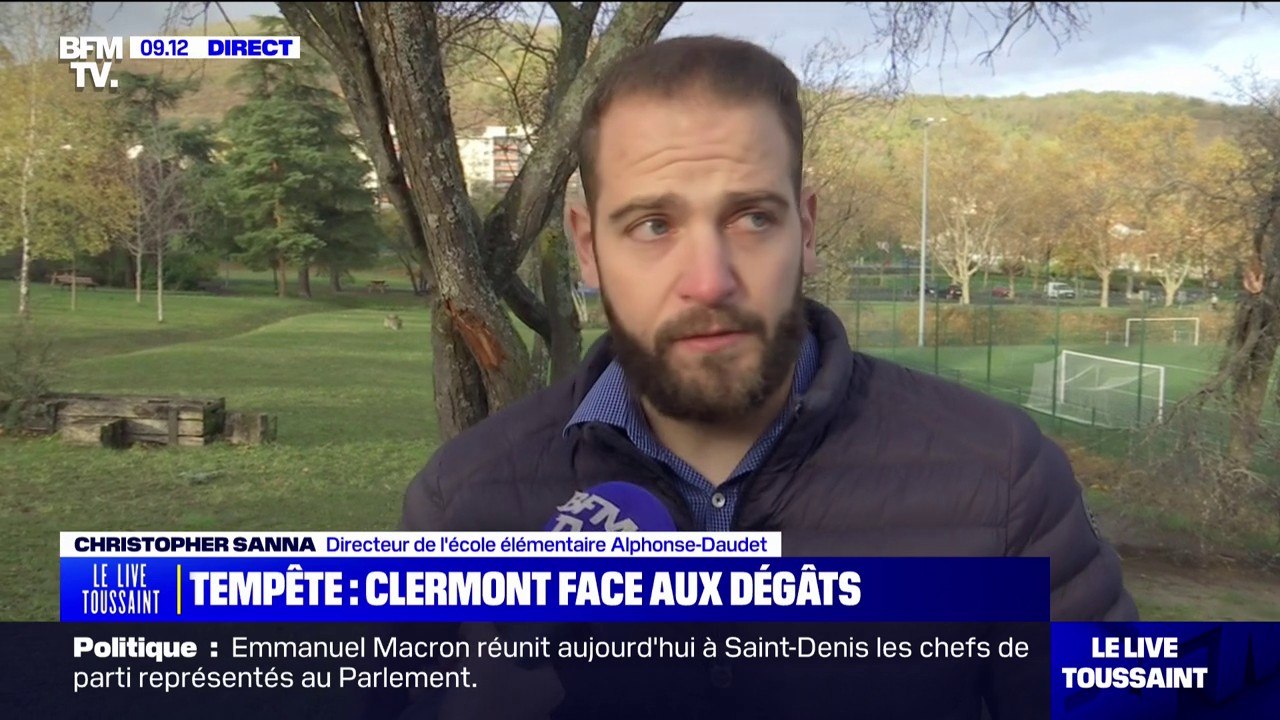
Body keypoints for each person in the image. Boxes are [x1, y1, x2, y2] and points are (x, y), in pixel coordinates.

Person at [399, 35, 1137, 719]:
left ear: (806, 229)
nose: (708, 281)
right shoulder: (464, 502)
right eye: (653, 225)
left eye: (752, 218)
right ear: (588, 249)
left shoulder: (1001, 478)